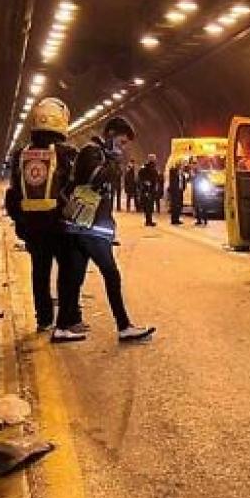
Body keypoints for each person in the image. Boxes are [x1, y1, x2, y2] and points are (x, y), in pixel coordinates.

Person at [53, 117, 155, 343]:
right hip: (88, 228)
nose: (122, 147)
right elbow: (93, 179)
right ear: (109, 134)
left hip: (82, 227)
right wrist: (114, 161)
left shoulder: (102, 154)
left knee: (74, 278)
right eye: (121, 141)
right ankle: (124, 326)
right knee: (111, 274)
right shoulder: (92, 152)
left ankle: (62, 327)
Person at [5, 97, 74, 333]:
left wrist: (20, 221)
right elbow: (75, 188)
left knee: (39, 271)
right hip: (60, 224)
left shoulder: (20, 154)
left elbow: (13, 192)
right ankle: (66, 320)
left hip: (32, 225)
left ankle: (43, 318)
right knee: (66, 271)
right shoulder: (66, 153)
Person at [138, 155, 161, 227]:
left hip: (151, 189)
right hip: (147, 189)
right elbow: (141, 177)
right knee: (148, 206)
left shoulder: (153, 167)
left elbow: (156, 177)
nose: (155, 160)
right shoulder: (146, 168)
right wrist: (145, 182)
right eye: (153, 159)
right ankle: (148, 221)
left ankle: (149, 220)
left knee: (150, 206)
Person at [168, 159, 185, 225]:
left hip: (180, 190)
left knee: (179, 205)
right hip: (175, 191)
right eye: (180, 164)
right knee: (174, 205)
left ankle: (177, 219)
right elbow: (173, 180)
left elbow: (183, 180)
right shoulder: (173, 171)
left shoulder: (181, 172)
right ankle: (173, 219)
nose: (181, 166)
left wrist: (183, 187)